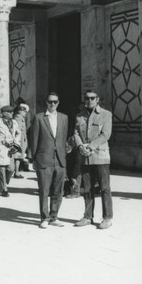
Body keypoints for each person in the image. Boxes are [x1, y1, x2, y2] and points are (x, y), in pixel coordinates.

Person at [74, 90, 113, 230]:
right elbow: (76, 133)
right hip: (85, 157)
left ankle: (107, 217)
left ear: (97, 99)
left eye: (92, 98)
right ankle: (88, 217)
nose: (89, 100)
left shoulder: (106, 114)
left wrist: (90, 147)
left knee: (104, 188)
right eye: (87, 98)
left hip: (101, 156)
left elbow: (105, 134)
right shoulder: (80, 116)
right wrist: (79, 146)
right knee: (87, 189)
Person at [29, 92, 68, 229]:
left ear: (58, 103)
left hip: (60, 160)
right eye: (50, 102)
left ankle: (54, 216)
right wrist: (33, 159)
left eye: (55, 102)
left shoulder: (64, 118)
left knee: (58, 190)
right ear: (46, 102)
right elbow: (33, 140)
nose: (52, 104)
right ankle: (44, 217)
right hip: (43, 159)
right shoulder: (39, 118)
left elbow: (63, 139)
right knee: (44, 190)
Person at [0, 105, 21, 197]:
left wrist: (17, 143)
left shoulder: (14, 123)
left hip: (10, 149)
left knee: (11, 169)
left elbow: (18, 133)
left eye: (12, 112)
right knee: (1, 169)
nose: (12, 113)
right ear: (4, 113)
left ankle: (5, 182)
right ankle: (4, 189)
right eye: (10, 112)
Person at [12, 104, 29, 178]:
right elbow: (17, 130)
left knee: (19, 156)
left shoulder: (20, 118)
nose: (25, 113)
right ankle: (16, 172)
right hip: (20, 139)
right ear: (20, 111)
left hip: (22, 138)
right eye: (24, 112)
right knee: (18, 156)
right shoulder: (18, 118)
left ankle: (16, 171)